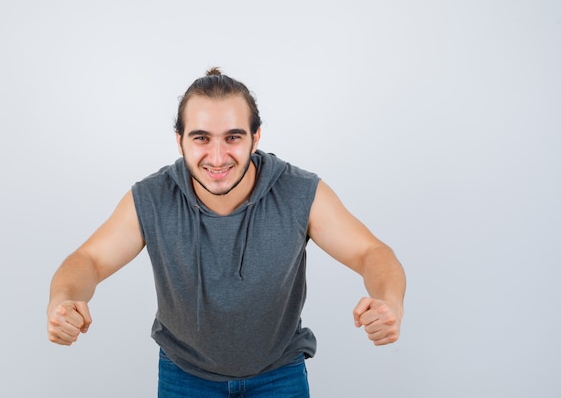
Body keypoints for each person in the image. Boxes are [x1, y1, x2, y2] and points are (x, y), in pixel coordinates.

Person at [47, 67, 406, 397]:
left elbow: (370, 253)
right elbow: (89, 260)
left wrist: (389, 302)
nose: (217, 157)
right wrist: (62, 300)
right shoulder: (153, 197)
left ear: (256, 136)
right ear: (180, 139)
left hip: (279, 374)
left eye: (232, 137)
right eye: (201, 138)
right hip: (184, 376)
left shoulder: (299, 192)